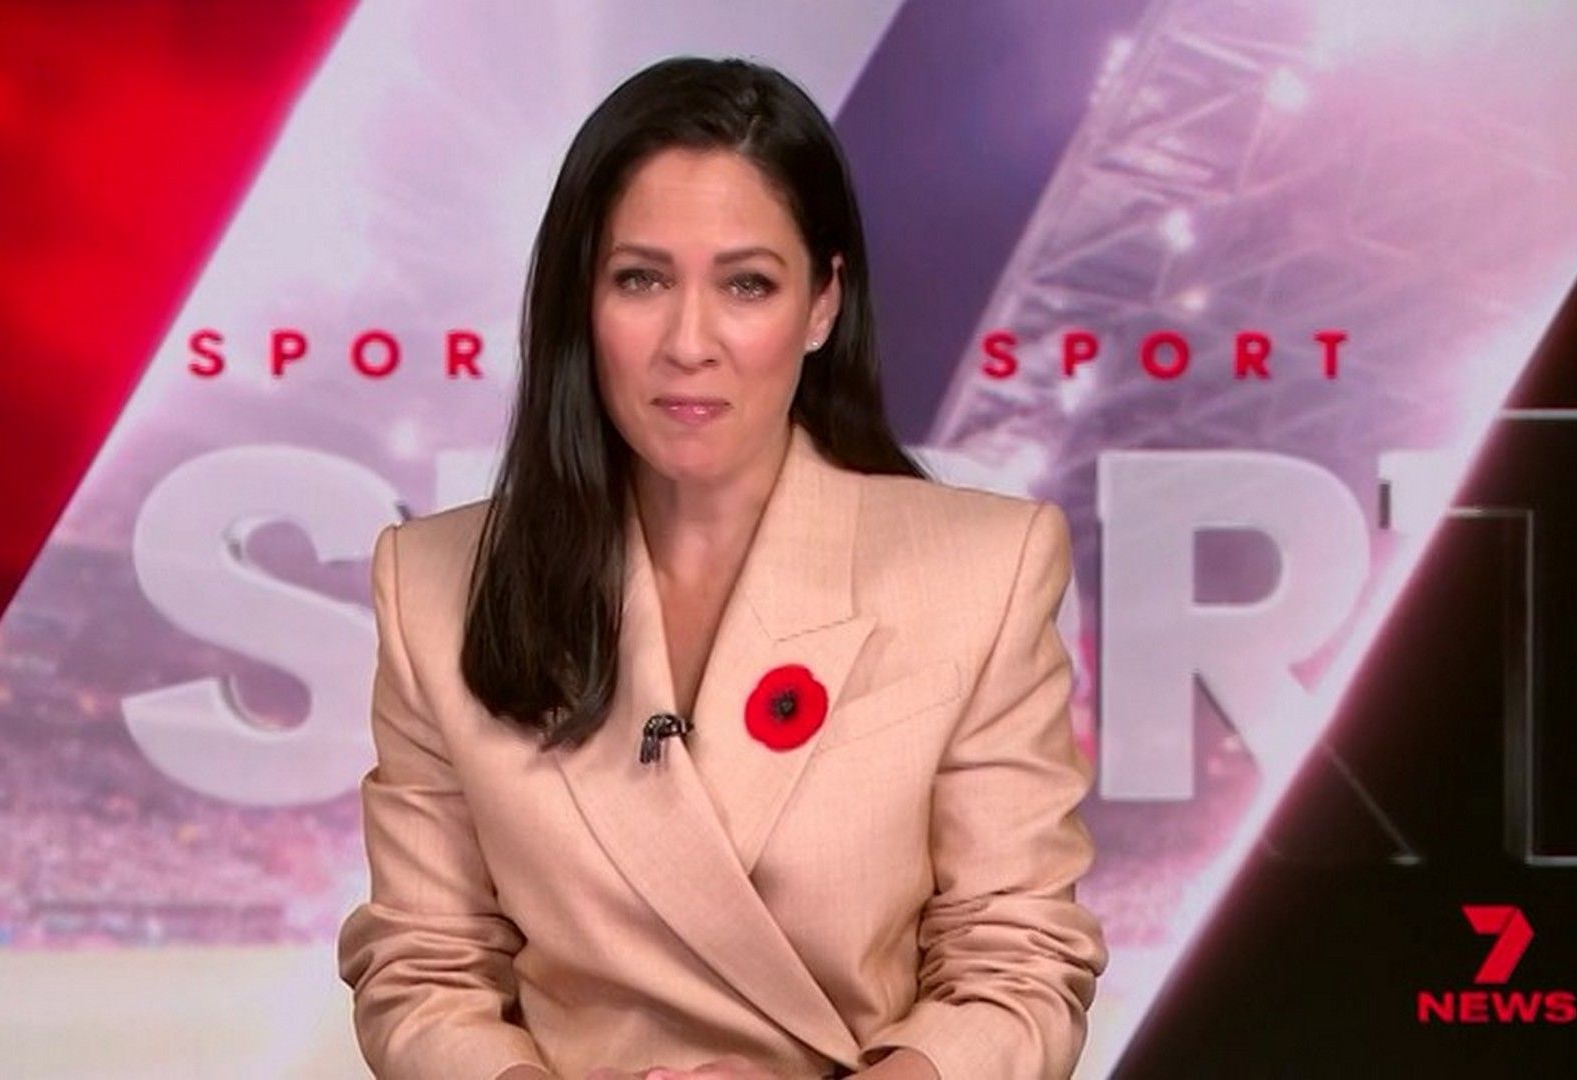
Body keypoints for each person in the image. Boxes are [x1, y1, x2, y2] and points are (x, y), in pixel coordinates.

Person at [337, 55, 1107, 1080]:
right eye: (641, 280)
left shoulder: (986, 570)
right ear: (581, 300)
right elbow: (422, 969)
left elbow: (1019, 967)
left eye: (747, 284)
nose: (688, 342)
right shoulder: (433, 584)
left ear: (823, 304)